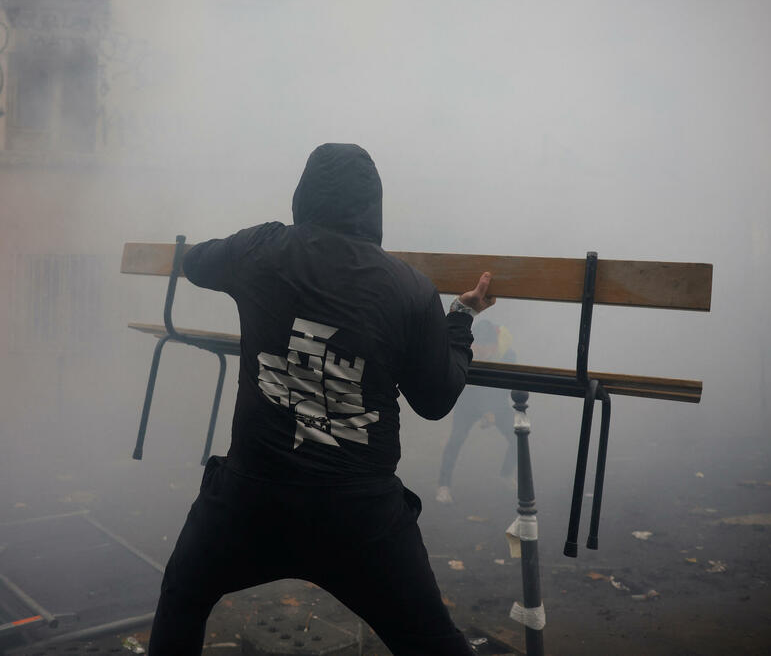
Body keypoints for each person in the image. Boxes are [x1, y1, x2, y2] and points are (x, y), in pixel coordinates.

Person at [146, 143, 494, 655]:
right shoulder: (409, 288)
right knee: (435, 646)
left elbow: (196, 263)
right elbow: (436, 398)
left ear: (303, 196)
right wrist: (459, 321)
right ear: (373, 207)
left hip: (249, 500)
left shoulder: (258, 249)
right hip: (359, 519)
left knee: (182, 594)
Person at [436, 319, 517, 505]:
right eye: (477, 346)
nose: (481, 351)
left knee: (518, 437)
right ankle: (443, 485)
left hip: (497, 402)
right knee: (456, 439)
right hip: (468, 402)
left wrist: (493, 411)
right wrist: (483, 411)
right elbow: (460, 384)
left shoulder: (507, 354)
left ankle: (505, 474)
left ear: (494, 345)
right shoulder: (465, 351)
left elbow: (505, 387)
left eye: (485, 347)